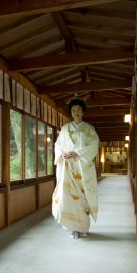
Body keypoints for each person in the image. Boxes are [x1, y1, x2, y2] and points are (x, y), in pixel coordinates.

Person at [52, 98, 99, 238]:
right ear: (70, 113)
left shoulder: (89, 129)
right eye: (73, 110)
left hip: (82, 167)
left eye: (78, 109)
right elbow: (58, 145)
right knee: (68, 197)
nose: (76, 112)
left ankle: (83, 227)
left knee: (83, 197)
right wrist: (62, 154)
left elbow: (94, 145)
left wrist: (76, 153)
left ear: (83, 111)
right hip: (68, 168)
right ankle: (73, 227)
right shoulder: (65, 129)